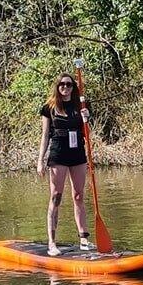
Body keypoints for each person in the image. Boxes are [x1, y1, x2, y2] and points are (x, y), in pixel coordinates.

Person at [38, 74, 94, 256]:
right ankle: (52, 243)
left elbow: (88, 134)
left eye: (69, 85)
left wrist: (86, 119)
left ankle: (84, 239)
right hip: (58, 154)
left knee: (78, 196)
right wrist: (40, 161)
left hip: (77, 153)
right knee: (56, 197)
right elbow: (45, 136)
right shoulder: (50, 108)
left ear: (73, 88)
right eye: (62, 84)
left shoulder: (81, 106)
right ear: (57, 86)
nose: (65, 87)